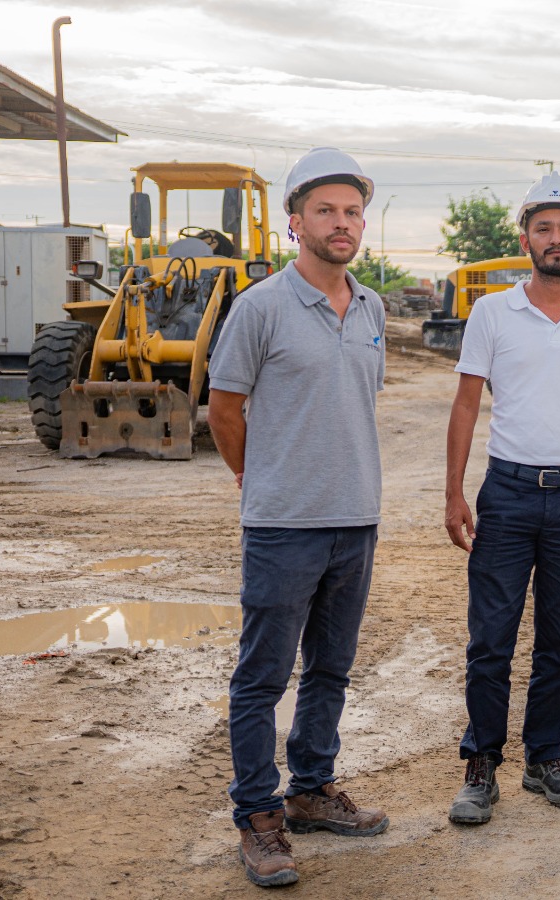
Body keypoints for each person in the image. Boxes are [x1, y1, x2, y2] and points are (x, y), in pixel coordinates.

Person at [207, 147, 390, 888]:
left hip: (357, 519)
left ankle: (311, 789)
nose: (341, 223)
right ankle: (258, 815)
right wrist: (258, 477)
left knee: (332, 668)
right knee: (263, 676)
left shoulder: (372, 306)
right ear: (295, 223)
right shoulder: (261, 307)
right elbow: (224, 409)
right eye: (326, 210)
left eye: (351, 212)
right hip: (284, 526)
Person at [443, 173, 560, 825]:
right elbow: (467, 403)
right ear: (525, 236)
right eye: (544, 227)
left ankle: (545, 758)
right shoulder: (493, 313)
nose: (556, 239)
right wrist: (454, 492)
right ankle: (481, 764)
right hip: (507, 494)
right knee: (490, 639)